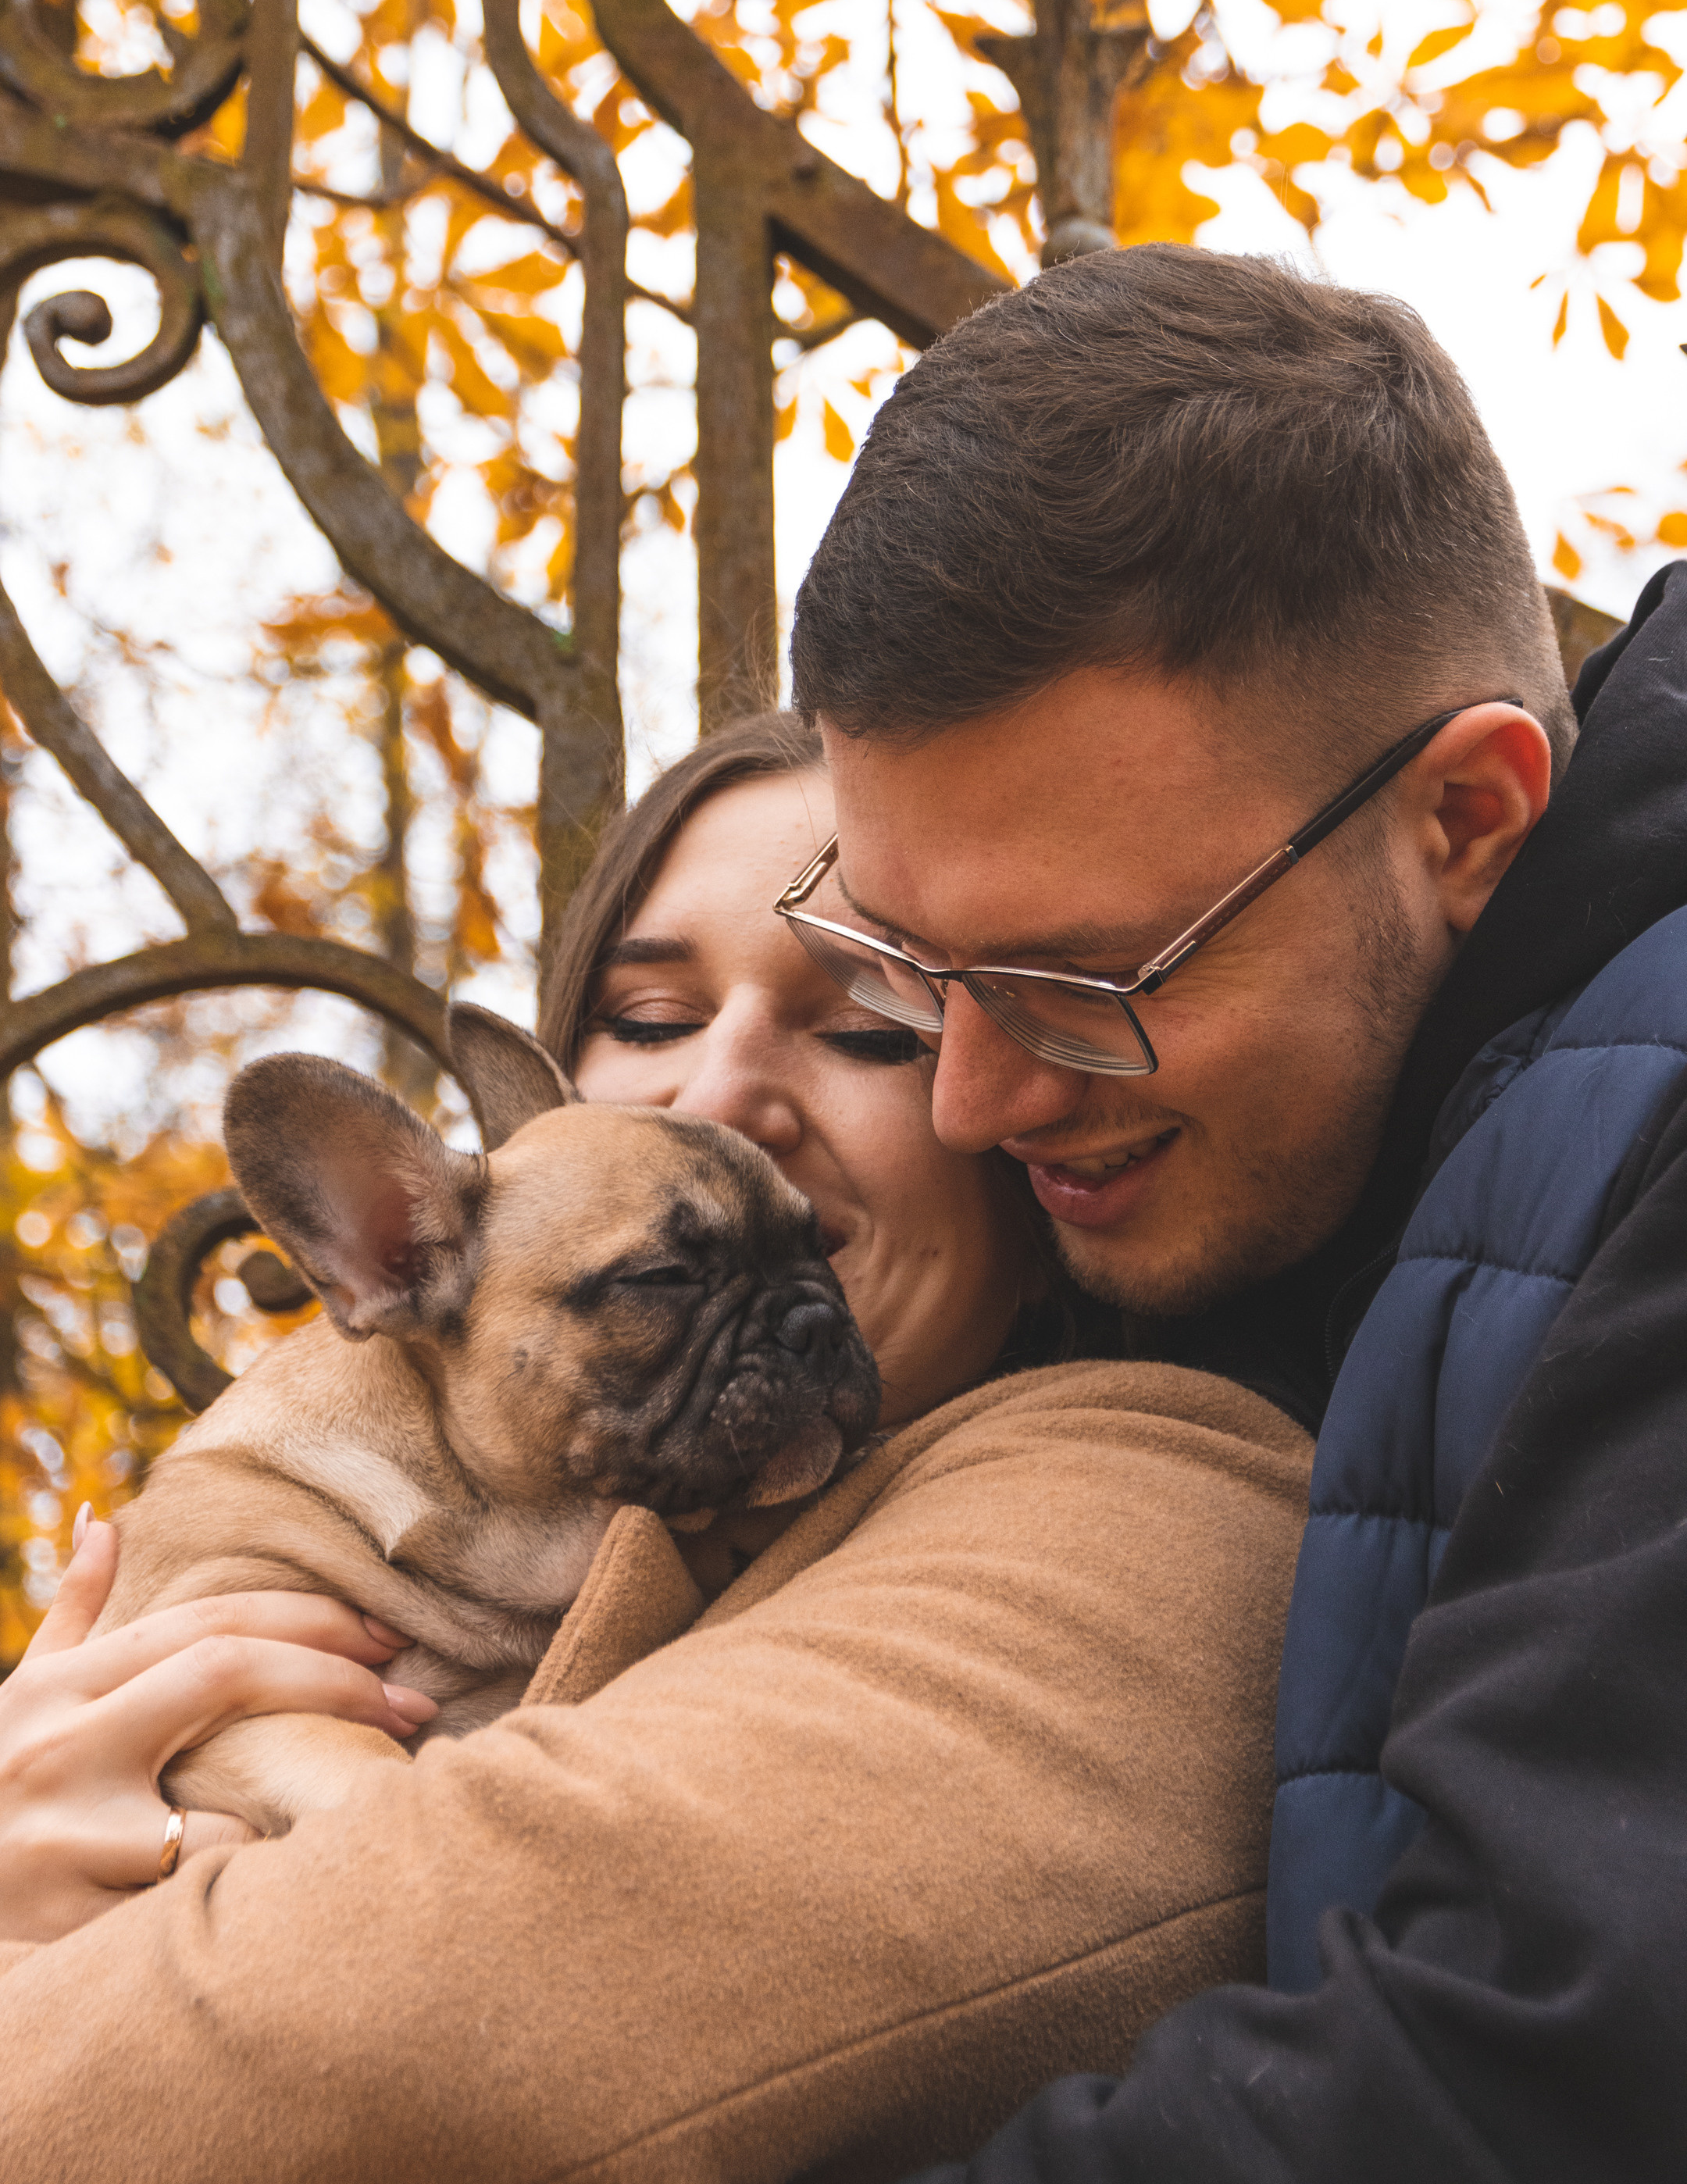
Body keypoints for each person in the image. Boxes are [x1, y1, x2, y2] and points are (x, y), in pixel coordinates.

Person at [0, 708, 1312, 2181]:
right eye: (648, 1021)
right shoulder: (320, 1508)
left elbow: (412, 2010)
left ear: (1025, 1127)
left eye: (874, 1019)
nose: (720, 1102)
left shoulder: (1143, 1510)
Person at [783, 241, 1687, 2183]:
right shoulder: (1272, 1180)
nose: (972, 1095)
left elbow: (1548, 2073)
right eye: (902, 964)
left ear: (1464, 819)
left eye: (1083, 984)